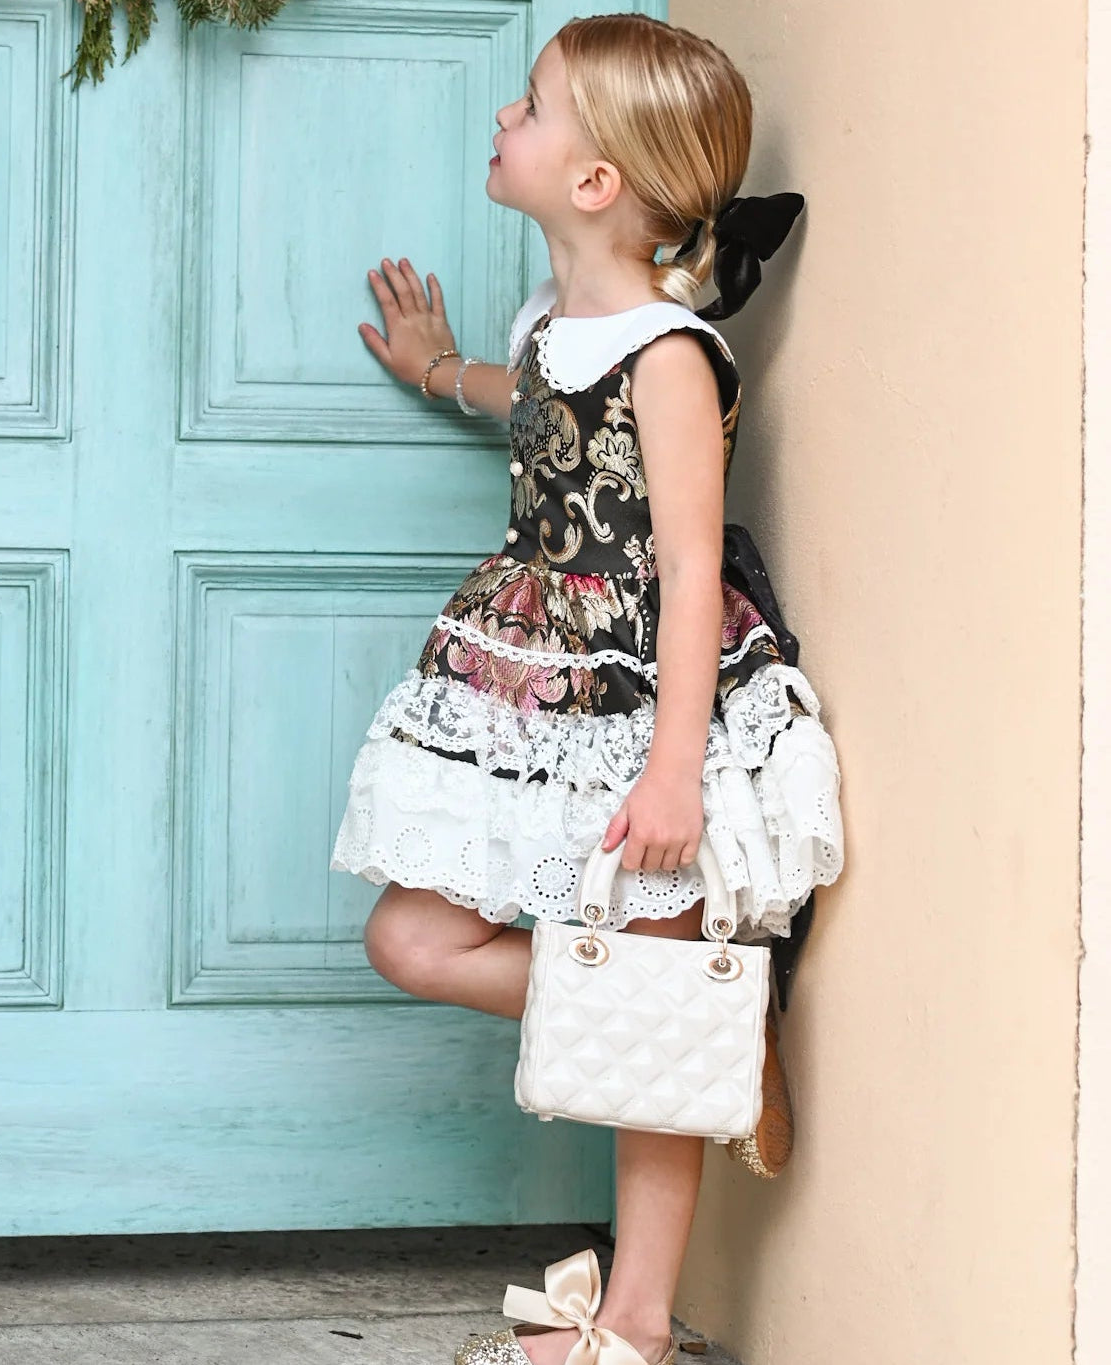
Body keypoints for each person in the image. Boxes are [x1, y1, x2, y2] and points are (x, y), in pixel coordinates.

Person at [330, 15, 844, 1365]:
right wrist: (439, 367)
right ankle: (714, 1016)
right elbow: (537, 402)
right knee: (413, 937)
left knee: (643, 1035)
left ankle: (630, 1328)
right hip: (534, 690)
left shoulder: (671, 355)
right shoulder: (561, 323)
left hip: (637, 713)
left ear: (595, 182)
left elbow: (685, 569)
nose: (504, 119)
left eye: (529, 106)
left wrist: (673, 766)